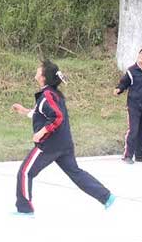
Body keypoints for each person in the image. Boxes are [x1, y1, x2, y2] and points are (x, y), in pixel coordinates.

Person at [12, 59, 115, 215]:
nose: (37, 70)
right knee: (76, 173)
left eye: (40, 69)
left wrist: (41, 132)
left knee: (25, 172)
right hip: (64, 144)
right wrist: (24, 111)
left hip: (49, 146)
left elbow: (57, 117)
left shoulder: (47, 96)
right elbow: (43, 113)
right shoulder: (52, 94)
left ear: (43, 76)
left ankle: (24, 209)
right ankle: (106, 197)